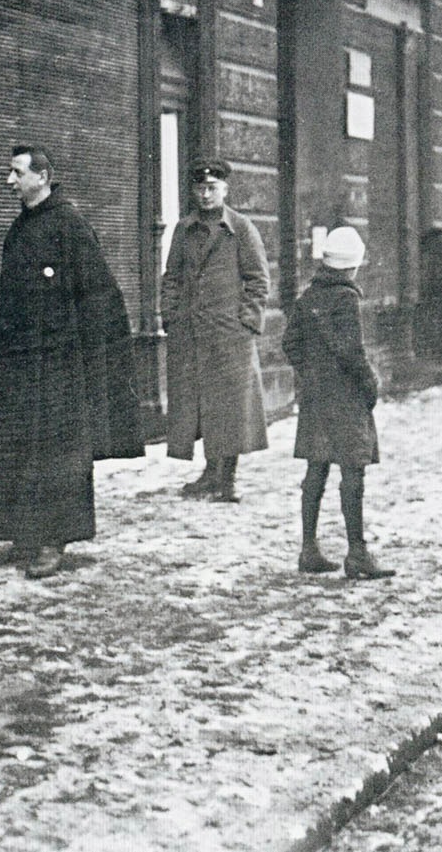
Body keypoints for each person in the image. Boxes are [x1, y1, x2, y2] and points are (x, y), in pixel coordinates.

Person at [0, 145, 142, 579]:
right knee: (20, 448)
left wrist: (84, 357)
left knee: (58, 454)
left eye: (17, 173)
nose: (10, 181)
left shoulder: (70, 225)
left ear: (42, 177)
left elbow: (100, 295)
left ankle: (54, 540)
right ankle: (23, 533)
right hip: (21, 363)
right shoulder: (19, 228)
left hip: (60, 367)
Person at [282, 225, 395, 580]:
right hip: (345, 399)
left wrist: (310, 374)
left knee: (316, 469)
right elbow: (352, 352)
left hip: (317, 399)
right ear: (352, 265)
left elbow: (290, 343)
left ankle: (309, 549)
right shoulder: (346, 298)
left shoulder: (308, 296)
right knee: (352, 472)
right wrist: (370, 384)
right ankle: (357, 553)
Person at [161, 159, 270, 503]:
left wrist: (246, 323)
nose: (205, 195)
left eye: (212, 188)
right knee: (202, 405)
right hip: (192, 335)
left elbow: (258, 280)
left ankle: (228, 479)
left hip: (229, 337)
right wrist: (171, 316)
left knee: (231, 408)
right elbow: (171, 278)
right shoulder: (183, 229)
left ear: (225, 189)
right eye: (200, 188)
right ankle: (210, 474)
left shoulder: (241, 228)